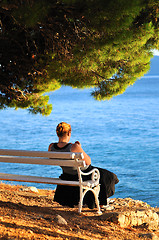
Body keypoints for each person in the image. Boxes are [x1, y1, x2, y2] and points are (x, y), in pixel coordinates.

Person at [48, 122, 119, 209]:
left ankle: (96, 201)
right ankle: (101, 203)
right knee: (108, 175)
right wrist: (79, 147)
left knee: (102, 173)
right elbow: (88, 161)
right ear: (69, 133)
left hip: (67, 174)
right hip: (83, 173)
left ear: (57, 133)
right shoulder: (73, 147)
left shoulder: (51, 147)